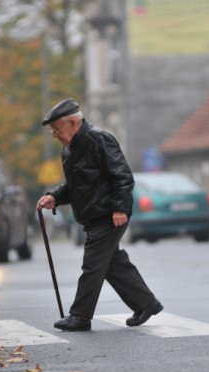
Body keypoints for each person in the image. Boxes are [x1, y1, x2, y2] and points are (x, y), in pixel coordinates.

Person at [36, 98, 163, 332]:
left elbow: (122, 176)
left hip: (109, 214)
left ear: (73, 123)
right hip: (93, 216)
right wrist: (55, 196)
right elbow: (76, 186)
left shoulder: (99, 139)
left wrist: (119, 208)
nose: (54, 134)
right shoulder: (69, 150)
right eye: (52, 130)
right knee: (112, 263)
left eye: (56, 129)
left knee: (93, 264)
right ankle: (146, 303)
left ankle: (80, 316)